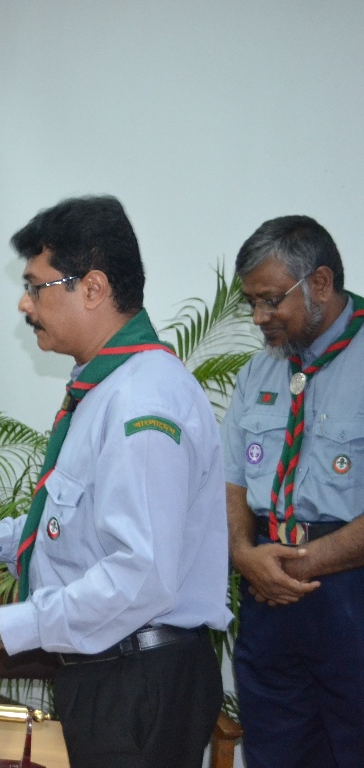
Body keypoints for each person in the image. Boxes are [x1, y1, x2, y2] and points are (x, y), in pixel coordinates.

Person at [0, 196, 230, 767]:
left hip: (138, 681)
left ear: (93, 288)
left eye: (37, 286)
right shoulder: (105, 387)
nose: (24, 304)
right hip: (113, 670)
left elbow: (142, 574)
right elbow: (85, 519)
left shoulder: (141, 401)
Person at [223, 215, 364, 767]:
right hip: (268, 591)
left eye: (270, 300)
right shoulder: (257, 374)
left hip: (347, 589)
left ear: (320, 283)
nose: (259, 317)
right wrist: (243, 554)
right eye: (251, 303)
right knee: (275, 753)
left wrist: (301, 565)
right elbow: (231, 481)